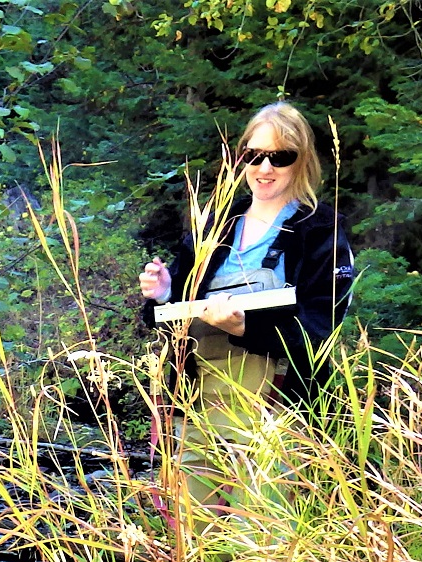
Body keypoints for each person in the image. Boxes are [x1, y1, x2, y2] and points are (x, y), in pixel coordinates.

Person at [139, 101, 356, 523]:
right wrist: (163, 294)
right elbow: (171, 313)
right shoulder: (215, 222)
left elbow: (320, 330)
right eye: (254, 155)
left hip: (276, 412)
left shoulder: (321, 232)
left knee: (263, 539)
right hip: (197, 406)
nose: (265, 167)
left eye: (281, 156)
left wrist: (245, 327)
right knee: (193, 537)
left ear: (302, 160)